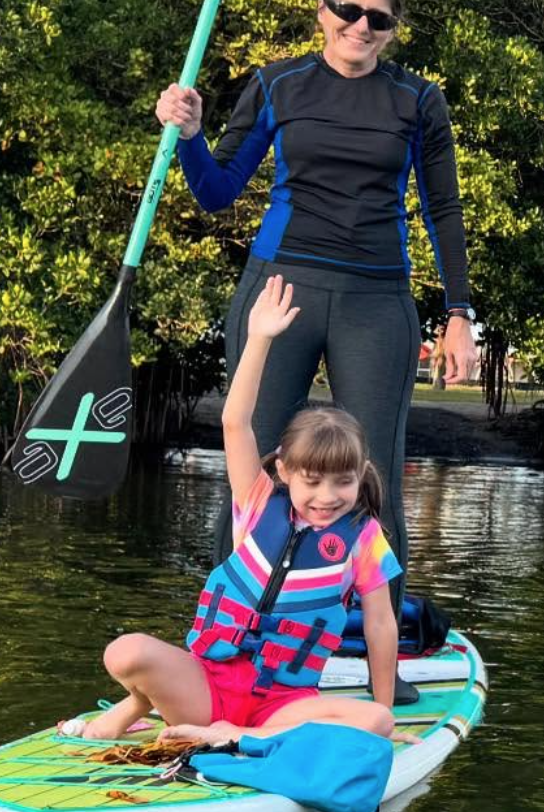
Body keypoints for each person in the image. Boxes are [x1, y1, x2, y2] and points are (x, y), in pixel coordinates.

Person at [155, 0, 475, 666]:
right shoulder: (277, 83)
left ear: (393, 31)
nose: (361, 27)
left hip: (377, 299)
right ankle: (220, 647)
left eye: (379, 19)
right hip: (281, 290)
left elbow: (442, 209)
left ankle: (378, 656)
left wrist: (459, 313)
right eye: (348, 11)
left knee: (372, 473)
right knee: (251, 465)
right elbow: (216, 191)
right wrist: (189, 135)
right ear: (322, 10)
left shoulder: (419, 101)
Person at [70, 275, 402, 745]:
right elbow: (235, 422)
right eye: (312, 481)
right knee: (124, 653)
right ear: (285, 471)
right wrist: (261, 338)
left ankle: (227, 736)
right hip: (211, 684)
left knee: (378, 721)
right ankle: (145, 704)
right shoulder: (258, 500)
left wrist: (382, 711)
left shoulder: (364, 538)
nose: (328, 496)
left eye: (343, 482)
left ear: (361, 473)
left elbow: (381, 623)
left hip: (284, 704)